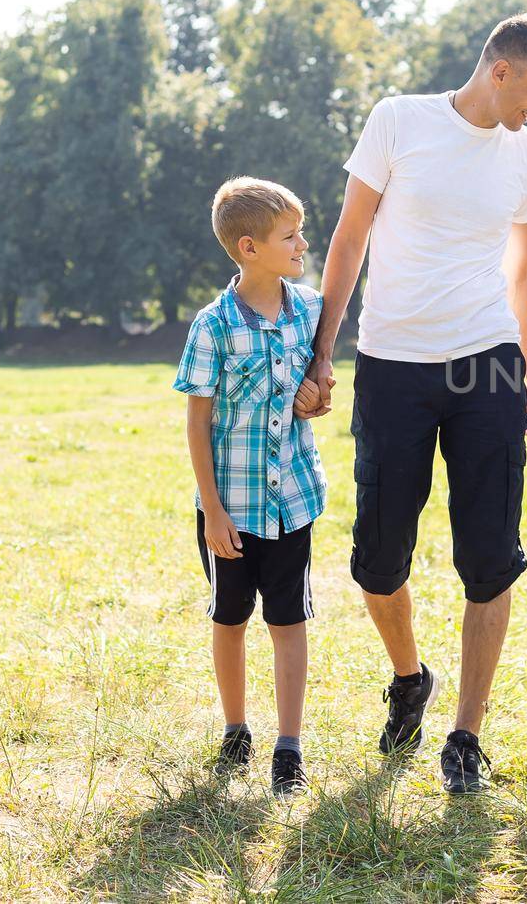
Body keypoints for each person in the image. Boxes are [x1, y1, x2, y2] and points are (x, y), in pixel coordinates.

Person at [294, 13, 527, 794]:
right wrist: (322, 350)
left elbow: (523, 271)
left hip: (488, 363)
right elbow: (349, 238)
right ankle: (410, 676)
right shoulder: (399, 120)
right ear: (500, 71)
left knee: (490, 558)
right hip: (392, 364)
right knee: (378, 561)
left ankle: (465, 737)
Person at [173, 176, 326, 797]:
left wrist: (316, 396)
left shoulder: (312, 310)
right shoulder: (212, 327)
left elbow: (318, 379)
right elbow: (198, 421)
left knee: (289, 619)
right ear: (248, 247)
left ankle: (288, 747)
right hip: (230, 509)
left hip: (292, 501)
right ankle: (236, 729)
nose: (302, 243)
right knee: (230, 617)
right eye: (290, 235)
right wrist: (212, 510)